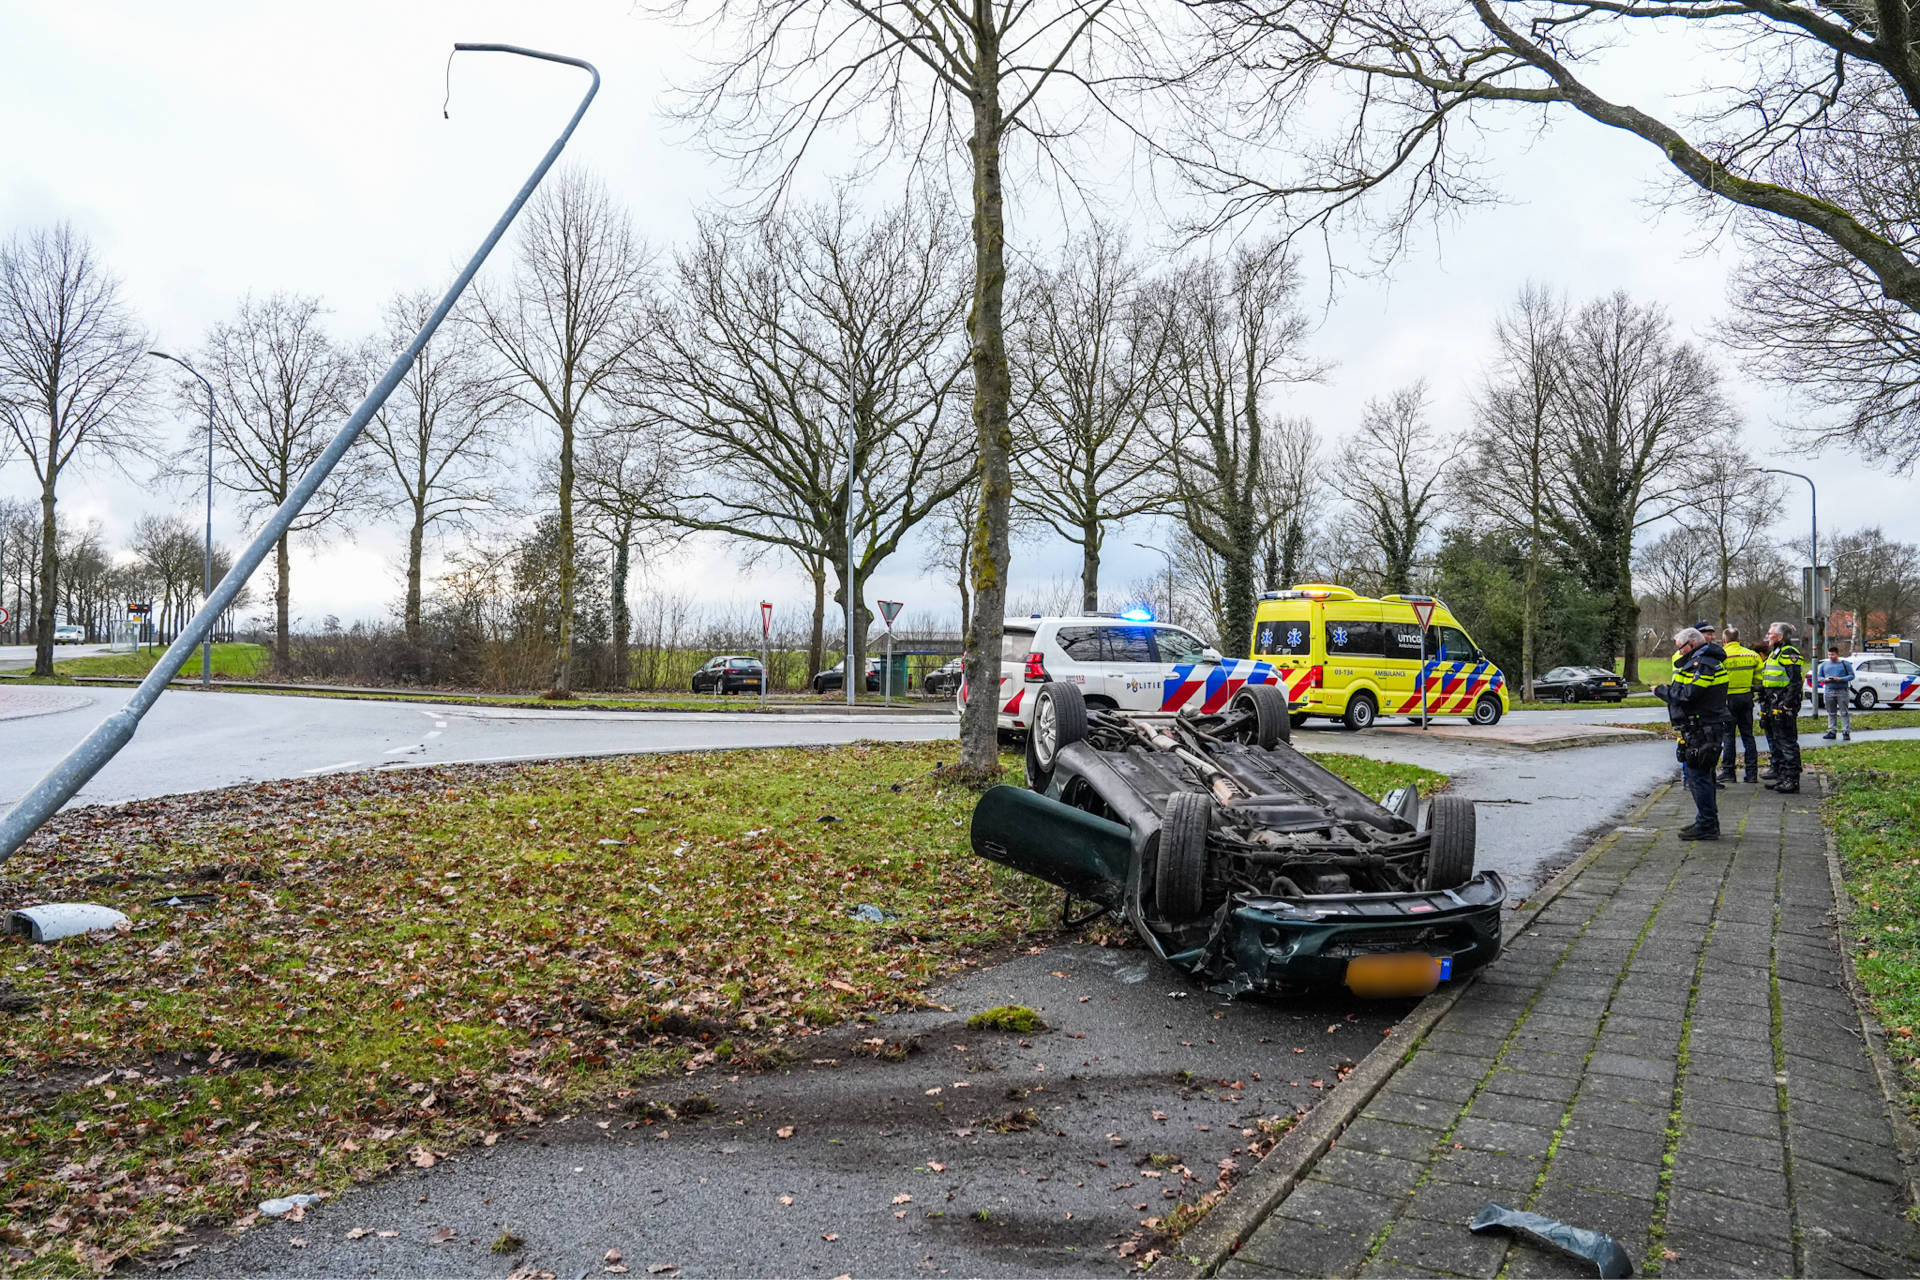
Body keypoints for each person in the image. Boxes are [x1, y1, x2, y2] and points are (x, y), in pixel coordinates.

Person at [1653, 626, 1730, 840]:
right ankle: (1706, 821)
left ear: (1693, 644)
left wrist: (1661, 691)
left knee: (1699, 778)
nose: (1679, 652)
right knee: (1702, 776)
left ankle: (1707, 825)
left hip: (1703, 727)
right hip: (1699, 726)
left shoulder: (1704, 664)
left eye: (1681, 648)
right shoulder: (1701, 661)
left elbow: (1688, 695)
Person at [1759, 622, 1804, 792]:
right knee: (1778, 741)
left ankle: (1792, 780)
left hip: (1783, 704)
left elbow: (1795, 682)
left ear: (1780, 636)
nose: (1768, 636)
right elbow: (1773, 679)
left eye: (1770, 634)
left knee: (1787, 742)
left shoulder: (1789, 653)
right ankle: (1782, 776)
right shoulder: (1775, 652)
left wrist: (1787, 705)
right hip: (1773, 702)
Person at [1718, 626, 1762, 782]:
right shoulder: (1752, 655)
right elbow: (1759, 678)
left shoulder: (1720, 656)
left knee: (1728, 736)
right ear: (1739, 639)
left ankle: (1728, 772)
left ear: (1724, 640)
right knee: (1748, 735)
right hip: (1746, 697)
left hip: (1727, 699)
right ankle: (1752, 774)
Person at [1817, 645, 1855, 741]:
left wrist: (1840, 679)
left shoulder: (1845, 664)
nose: (1830, 656)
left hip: (1842, 691)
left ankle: (1846, 732)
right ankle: (1832, 731)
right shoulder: (1824, 665)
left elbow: (1851, 676)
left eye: (1832, 654)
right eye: (1829, 654)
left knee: (1844, 712)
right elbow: (1819, 677)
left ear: (1837, 654)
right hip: (1829, 691)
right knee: (1831, 712)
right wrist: (1824, 680)